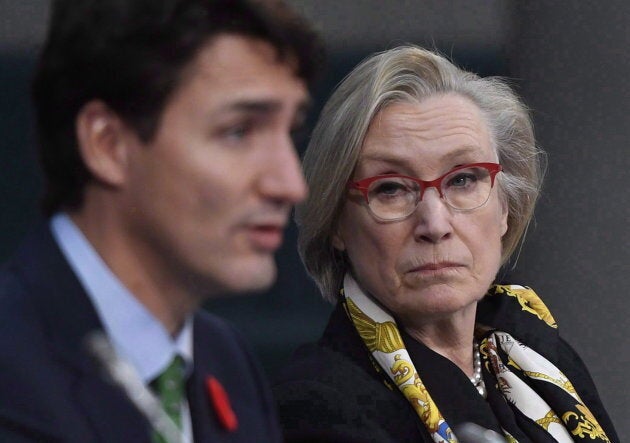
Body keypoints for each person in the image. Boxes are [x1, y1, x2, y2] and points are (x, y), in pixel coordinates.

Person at [0, 0, 323, 441]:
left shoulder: (226, 362)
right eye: (239, 131)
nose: (290, 184)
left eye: (290, 133)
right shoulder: (12, 369)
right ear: (107, 144)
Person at [273, 46, 619, 442]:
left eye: (463, 180)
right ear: (337, 222)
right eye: (391, 189)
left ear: (507, 206)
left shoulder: (543, 358)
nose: (434, 224)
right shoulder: (315, 406)